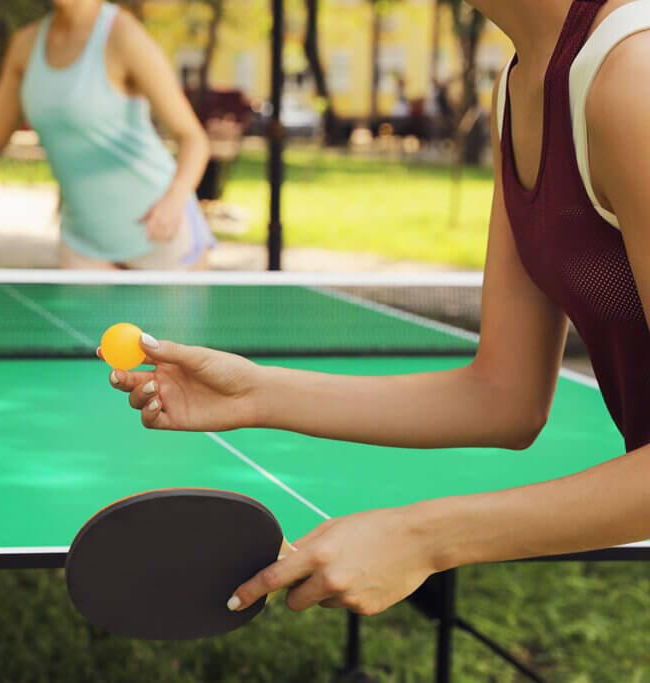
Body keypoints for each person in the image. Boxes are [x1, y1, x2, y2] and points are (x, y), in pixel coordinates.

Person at [108, 0, 650, 616]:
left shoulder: (635, 76)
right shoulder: (518, 88)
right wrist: (256, 394)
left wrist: (425, 537)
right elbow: (504, 397)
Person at [0, 0, 215, 270]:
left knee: (175, 358)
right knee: (85, 356)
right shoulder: (25, 45)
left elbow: (192, 137)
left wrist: (173, 201)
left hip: (164, 239)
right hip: (85, 244)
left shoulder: (123, 35)